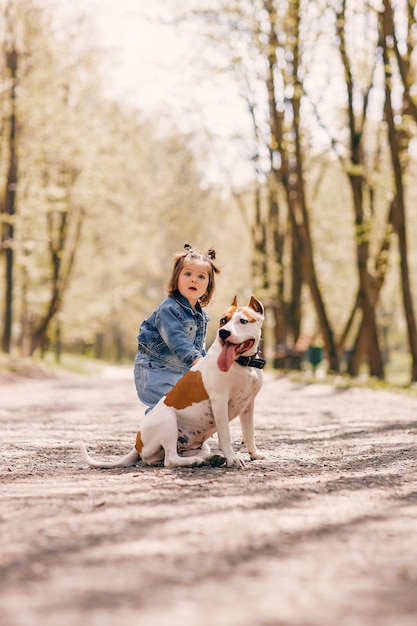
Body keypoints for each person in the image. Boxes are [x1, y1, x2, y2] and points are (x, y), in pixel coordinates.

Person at [134, 243, 220, 411]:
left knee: (186, 410)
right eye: (188, 274)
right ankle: (154, 435)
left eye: (201, 277)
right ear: (176, 279)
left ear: (208, 285)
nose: (194, 279)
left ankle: (180, 435)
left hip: (179, 371)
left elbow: (197, 347)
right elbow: (176, 339)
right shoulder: (169, 309)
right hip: (156, 370)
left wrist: (207, 364)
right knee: (164, 409)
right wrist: (197, 360)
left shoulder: (200, 316)